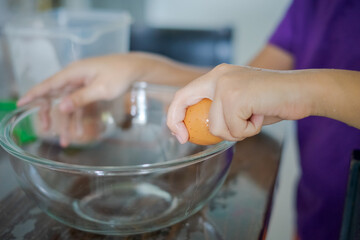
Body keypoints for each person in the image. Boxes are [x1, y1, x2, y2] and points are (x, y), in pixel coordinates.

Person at [17, 0, 360, 239]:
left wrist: (306, 90)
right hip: (317, 218)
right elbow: (241, 91)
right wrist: (138, 69)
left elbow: (282, 88)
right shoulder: (313, 4)